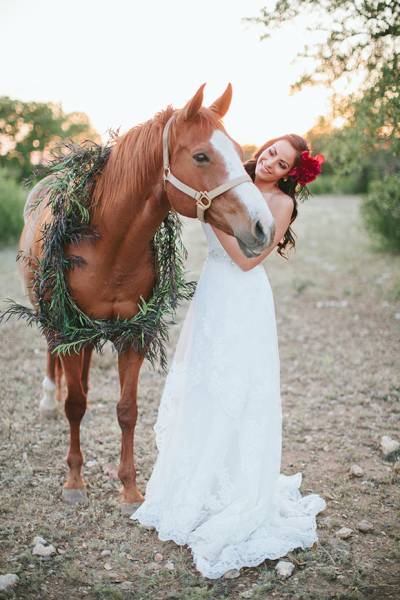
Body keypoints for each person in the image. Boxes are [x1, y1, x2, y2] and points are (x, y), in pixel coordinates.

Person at [131, 135, 326, 579]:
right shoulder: (230, 182)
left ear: (289, 175)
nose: (272, 162)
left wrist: (208, 211)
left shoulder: (279, 205)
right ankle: (194, 479)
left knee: (235, 391)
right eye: (272, 151)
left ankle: (235, 487)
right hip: (211, 295)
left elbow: (247, 261)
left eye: (282, 164)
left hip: (243, 299)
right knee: (202, 386)